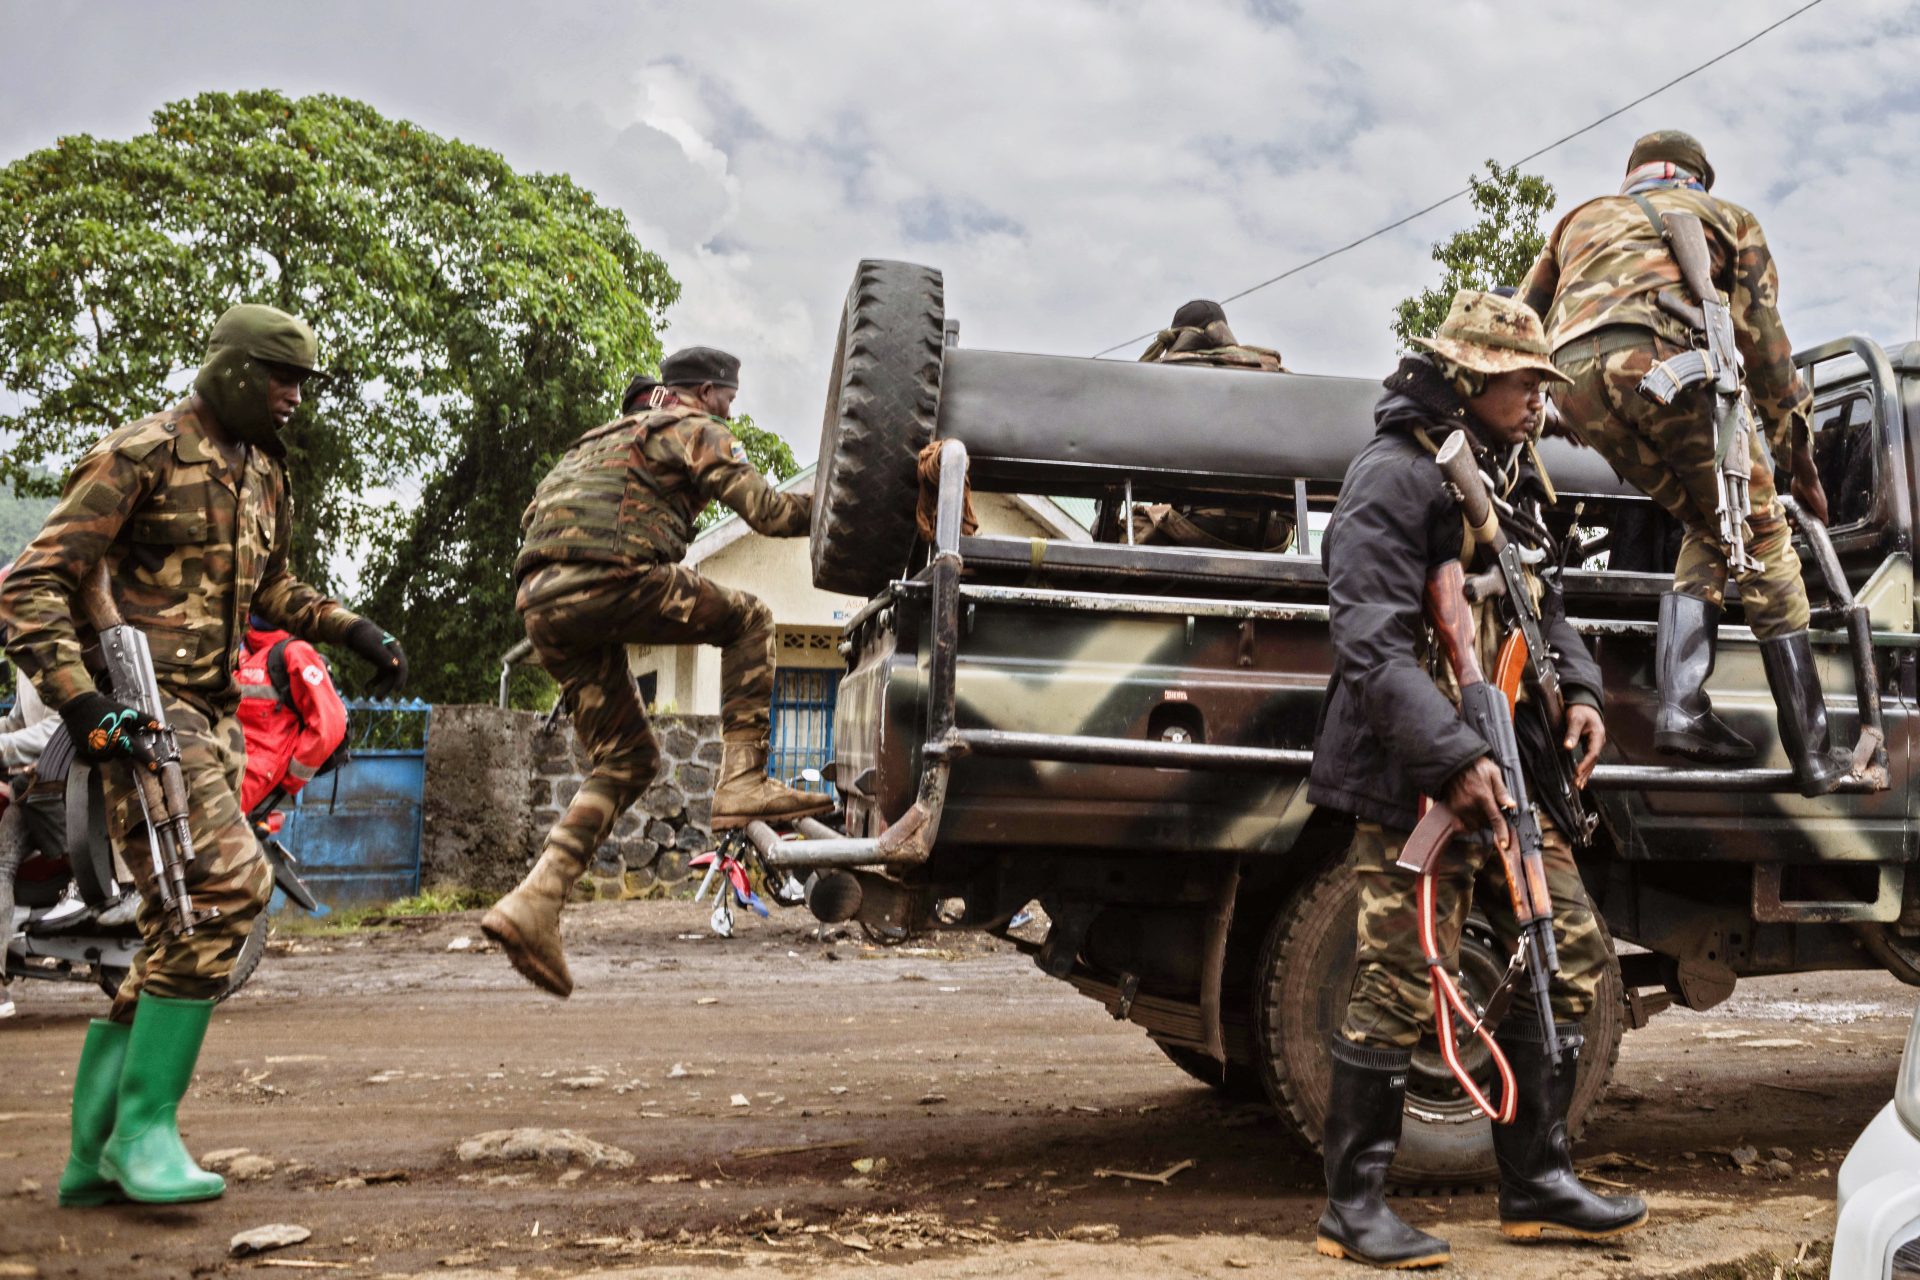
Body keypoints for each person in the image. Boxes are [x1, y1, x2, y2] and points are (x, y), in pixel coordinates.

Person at [0, 304, 406, 1208]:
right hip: (145, 711)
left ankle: (95, 1152)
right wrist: (85, 704)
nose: (294, 397)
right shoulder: (142, 453)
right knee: (225, 891)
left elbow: (270, 586)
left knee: (177, 924)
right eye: (279, 377)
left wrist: (352, 629)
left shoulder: (262, 470)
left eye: (301, 381)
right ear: (231, 371)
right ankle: (142, 1133)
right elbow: (31, 582)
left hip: (216, 714)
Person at [1309, 291, 1646, 1268]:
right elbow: (1370, 643)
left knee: (1569, 950)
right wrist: (1452, 761)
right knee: (1404, 979)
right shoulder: (1393, 478)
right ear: (1467, 379)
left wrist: (1579, 693)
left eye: (1545, 383)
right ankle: (1352, 1207)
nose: (1541, 400)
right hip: (1416, 774)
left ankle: (1537, 1182)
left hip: (1514, 765)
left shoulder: (1505, 476)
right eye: (1523, 382)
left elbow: (1549, 603)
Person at [482, 346, 827, 999]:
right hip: (614, 580)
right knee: (750, 619)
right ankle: (743, 781)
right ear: (705, 391)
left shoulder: (591, 445)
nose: (734, 409)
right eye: (730, 397)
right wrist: (849, 505)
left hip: (541, 603)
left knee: (628, 760)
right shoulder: (693, 426)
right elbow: (771, 514)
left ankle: (535, 902)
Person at [1520, 130, 1851, 797]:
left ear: (1633, 176)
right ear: (1698, 178)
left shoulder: (1578, 219)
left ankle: (1682, 707)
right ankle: (1816, 755)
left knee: (1707, 519)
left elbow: (1519, 314)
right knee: (1764, 538)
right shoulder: (1728, 220)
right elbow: (1768, 356)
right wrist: (1801, 465)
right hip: (1663, 370)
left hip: (1570, 387)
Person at [1130, 299, 1295, 552]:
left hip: (1197, 525)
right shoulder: (1274, 376)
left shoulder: (1169, 376)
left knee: (1120, 530)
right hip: (1272, 533)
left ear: (1177, 338)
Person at [235, 615, 349, 815]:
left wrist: (289, 778)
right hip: (224, 764)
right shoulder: (238, 652)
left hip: (251, 779)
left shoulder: (296, 653)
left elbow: (330, 723)